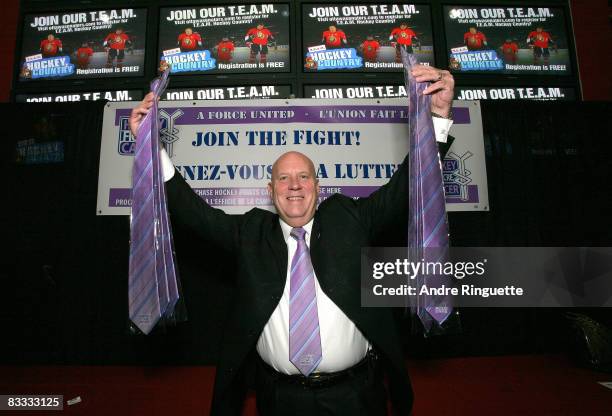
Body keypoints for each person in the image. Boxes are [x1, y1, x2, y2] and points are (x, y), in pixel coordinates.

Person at [129, 64, 455, 416]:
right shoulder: (251, 234)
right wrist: (151, 146)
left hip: (356, 397)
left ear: (318, 187)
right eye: (283, 178)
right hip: (279, 399)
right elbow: (192, 212)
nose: (294, 185)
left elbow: (407, 187)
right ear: (270, 191)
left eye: (303, 176)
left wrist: (435, 117)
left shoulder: (351, 218)